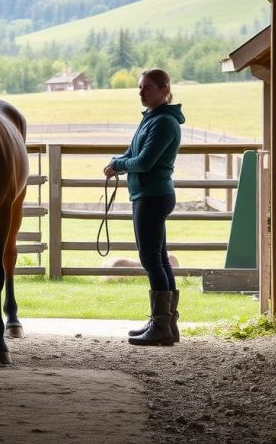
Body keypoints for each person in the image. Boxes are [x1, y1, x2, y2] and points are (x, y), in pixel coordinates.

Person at [103, 68, 185, 346]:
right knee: (159, 259)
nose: (141, 92)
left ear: (164, 90)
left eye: (147, 87)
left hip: (151, 196)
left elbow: (144, 161)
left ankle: (161, 325)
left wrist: (119, 165)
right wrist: (118, 161)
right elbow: (132, 153)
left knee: (151, 260)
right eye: (140, 87)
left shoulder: (162, 122)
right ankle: (166, 324)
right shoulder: (153, 119)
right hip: (150, 195)